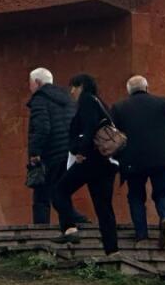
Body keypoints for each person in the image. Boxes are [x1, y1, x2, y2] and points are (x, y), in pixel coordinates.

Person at [111, 75, 165, 248]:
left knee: (136, 196)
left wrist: (115, 159)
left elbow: (112, 136)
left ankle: (141, 235)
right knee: (162, 192)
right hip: (160, 158)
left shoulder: (119, 107)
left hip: (132, 160)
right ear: (147, 88)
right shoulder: (162, 103)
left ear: (129, 91)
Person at [54, 73, 120, 255]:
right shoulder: (100, 102)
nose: (72, 92)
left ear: (81, 86)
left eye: (73, 87)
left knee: (59, 191)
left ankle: (72, 226)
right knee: (104, 207)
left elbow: (89, 128)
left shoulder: (87, 101)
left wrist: (81, 151)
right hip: (107, 162)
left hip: (91, 160)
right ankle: (112, 250)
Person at [26, 68, 75, 226]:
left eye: (31, 83)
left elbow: (42, 128)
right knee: (60, 192)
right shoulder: (67, 99)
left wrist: (35, 152)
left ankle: (41, 229)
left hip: (50, 153)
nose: (30, 87)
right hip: (67, 152)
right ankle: (70, 224)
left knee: (41, 194)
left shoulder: (40, 99)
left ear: (38, 83)